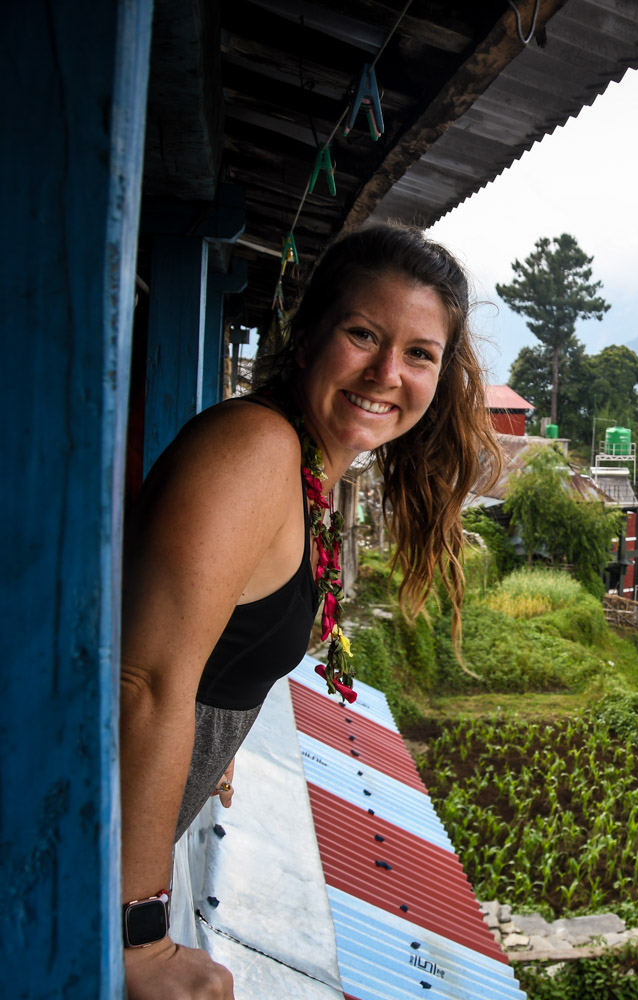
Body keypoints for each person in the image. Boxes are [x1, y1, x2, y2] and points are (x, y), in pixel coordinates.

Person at [118, 224, 500, 998]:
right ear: (311, 331)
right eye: (364, 334)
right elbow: (144, 685)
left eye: (419, 353)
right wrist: (143, 938)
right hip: (74, 859)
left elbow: (212, 650)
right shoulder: (255, 451)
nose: (387, 372)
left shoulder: (309, 473)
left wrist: (215, 740)